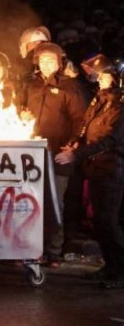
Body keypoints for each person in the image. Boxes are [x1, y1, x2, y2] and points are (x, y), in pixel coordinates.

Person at [56, 54, 124, 289]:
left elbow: (110, 139)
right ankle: (110, 266)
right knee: (98, 219)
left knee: (107, 220)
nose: (100, 80)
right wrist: (75, 142)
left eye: (105, 76)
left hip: (110, 168)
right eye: (99, 76)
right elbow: (85, 125)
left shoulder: (119, 105)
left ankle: (119, 271)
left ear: (115, 78)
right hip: (94, 168)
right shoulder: (100, 98)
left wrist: (77, 154)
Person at [20, 41, 86, 265]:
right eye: (43, 60)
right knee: (31, 202)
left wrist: (72, 148)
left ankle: (54, 250)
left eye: (52, 60)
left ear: (60, 63)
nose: (47, 64)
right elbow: (21, 108)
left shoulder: (70, 86)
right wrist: (23, 114)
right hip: (32, 155)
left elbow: (80, 121)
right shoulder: (31, 84)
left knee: (54, 203)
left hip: (58, 155)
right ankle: (31, 247)